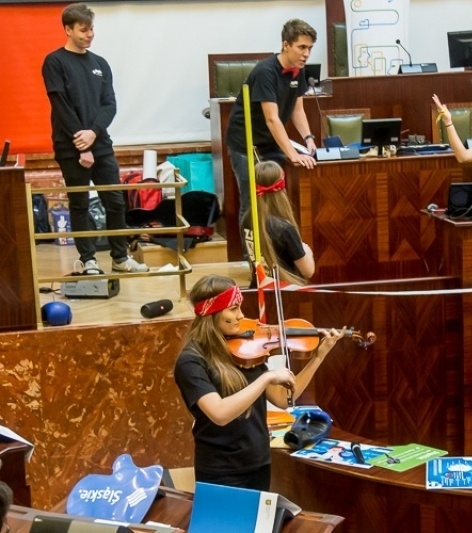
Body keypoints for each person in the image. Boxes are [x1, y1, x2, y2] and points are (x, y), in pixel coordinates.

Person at [174, 275, 344, 490]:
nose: (241, 315)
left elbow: (283, 399)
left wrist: (318, 357)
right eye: (233, 309)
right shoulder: (191, 361)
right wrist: (267, 377)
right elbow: (219, 413)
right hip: (221, 470)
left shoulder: (247, 348)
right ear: (212, 312)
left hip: (259, 463)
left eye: (240, 307)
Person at [41, 3, 149, 275]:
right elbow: (60, 103)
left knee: (114, 201)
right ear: (68, 29)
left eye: (92, 29)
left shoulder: (100, 63)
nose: (90, 34)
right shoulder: (55, 61)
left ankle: (120, 258)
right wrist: (81, 142)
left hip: (99, 143)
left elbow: (109, 104)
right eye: (83, 29)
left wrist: (93, 134)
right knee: (79, 203)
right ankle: (88, 260)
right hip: (70, 146)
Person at [225, 19, 319, 231]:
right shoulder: (265, 71)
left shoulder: (298, 69)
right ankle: (253, 260)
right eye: (301, 47)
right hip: (246, 143)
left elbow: (297, 109)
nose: (306, 54)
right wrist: (292, 154)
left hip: (270, 143)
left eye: (310, 48)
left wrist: (308, 138)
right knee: (252, 202)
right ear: (286, 45)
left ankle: (276, 254)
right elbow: (271, 118)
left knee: (278, 200)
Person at [242, 160, 314, 287]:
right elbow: (308, 271)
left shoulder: (247, 219)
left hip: (258, 288)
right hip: (284, 294)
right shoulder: (284, 229)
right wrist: (307, 251)